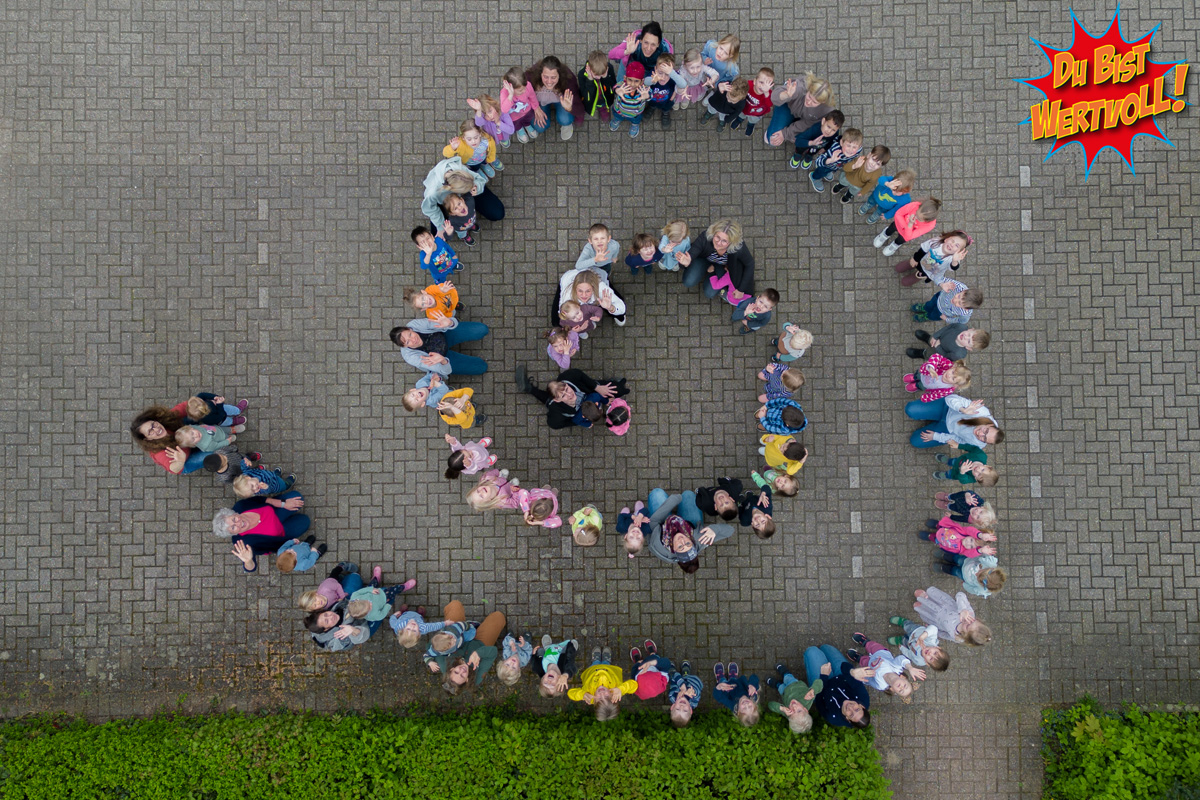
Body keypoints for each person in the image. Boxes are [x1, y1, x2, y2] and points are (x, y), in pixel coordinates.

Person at [213, 491, 310, 574]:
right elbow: (251, 568)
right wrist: (248, 561)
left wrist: (283, 504)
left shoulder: (240, 506)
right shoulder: (242, 543)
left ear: (234, 513)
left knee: (297, 496)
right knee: (305, 521)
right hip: (282, 534)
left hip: (276, 511)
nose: (238, 523)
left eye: (234, 519)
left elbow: (260, 500)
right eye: (233, 527)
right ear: (233, 534)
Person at [515, 366, 629, 430]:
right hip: (561, 407)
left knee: (618, 389)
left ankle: (613, 383)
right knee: (548, 401)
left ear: (566, 384)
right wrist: (578, 421)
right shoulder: (557, 409)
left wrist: (597, 387)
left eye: (567, 389)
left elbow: (581, 376)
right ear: (558, 400)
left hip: (590, 391)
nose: (570, 394)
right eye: (563, 395)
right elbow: (554, 424)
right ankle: (529, 389)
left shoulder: (569, 377)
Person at [420, 157, 504, 232]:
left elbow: (478, 179)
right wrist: (440, 226)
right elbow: (429, 208)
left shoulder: (460, 169)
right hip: (445, 201)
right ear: (453, 189)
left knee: (497, 213)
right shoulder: (433, 191)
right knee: (438, 234)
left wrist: (477, 187)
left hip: (464, 190)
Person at [678, 219, 754, 300]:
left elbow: (750, 264)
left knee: (709, 293)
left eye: (724, 241)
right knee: (688, 282)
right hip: (704, 260)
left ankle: (712, 273)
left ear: (731, 242)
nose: (718, 243)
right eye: (717, 237)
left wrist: (741, 289)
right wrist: (687, 261)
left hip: (722, 267)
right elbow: (694, 250)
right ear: (714, 233)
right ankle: (708, 270)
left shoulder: (738, 247)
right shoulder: (705, 236)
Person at [389, 317, 490, 377]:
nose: (413, 340)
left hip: (445, 335)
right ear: (404, 346)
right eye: (408, 342)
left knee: (482, 329)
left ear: (409, 329)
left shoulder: (414, 324)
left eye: (410, 334)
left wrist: (450, 323)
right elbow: (444, 371)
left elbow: (444, 323)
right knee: (481, 367)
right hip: (442, 358)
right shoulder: (411, 357)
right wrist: (443, 361)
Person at [438, 610, 508, 695]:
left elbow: (432, 646)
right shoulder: (477, 678)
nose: (461, 670)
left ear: (451, 669)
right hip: (480, 643)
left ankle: (468, 625)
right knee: (499, 617)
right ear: (467, 680)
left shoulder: (444, 664)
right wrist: (478, 653)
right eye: (462, 676)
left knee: (455, 606)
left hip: (460, 637)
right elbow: (493, 652)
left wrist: (444, 638)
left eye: (456, 672)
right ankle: (478, 627)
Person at [804, 644, 871, 728]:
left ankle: (817, 655)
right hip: (841, 673)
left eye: (851, 714)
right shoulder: (863, 698)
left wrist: (823, 677)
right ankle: (822, 649)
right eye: (857, 709)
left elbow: (818, 698)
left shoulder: (832, 717)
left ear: (847, 719)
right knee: (826, 647)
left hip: (822, 683)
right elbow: (845, 667)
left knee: (812, 651)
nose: (850, 708)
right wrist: (852, 672)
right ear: (862, 706)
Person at [130, 403, 211, 474]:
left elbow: (185, 406)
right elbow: (173, 468)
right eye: (150, 431)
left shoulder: (166, 419)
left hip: (187, 437)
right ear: (148, 439)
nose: (156, 429)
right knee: (213, 453)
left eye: (153, 424)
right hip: (185, 460)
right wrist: (180, 462)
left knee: (195, 412)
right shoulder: (159, 452)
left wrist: (200, 404)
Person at [764, 72, 835, 148]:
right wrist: (786, 95)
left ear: (822, 102)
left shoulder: (826, 110)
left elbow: (807, 123)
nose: (809, 102)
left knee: (804, 136)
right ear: (808, 90)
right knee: (771, 139)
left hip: (804, 116)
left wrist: (786, 133)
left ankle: (790, 128)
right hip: (787, 106)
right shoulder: (799, 88)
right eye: (809, 96)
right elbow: (774, 98)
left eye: (814, 102)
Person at [845, 634, 925, 702]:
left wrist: (861, 676)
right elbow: (901, 659)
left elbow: (869, 680)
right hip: (880, 652)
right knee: (872, 646)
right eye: (904, 685)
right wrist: (910, 668)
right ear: (903, 677)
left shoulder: (881, 685)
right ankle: (865, 642)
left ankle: (859, 657)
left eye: (900, 690)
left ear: (893, 690)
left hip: (869, 665)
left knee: (864, 662)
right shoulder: (896, 668)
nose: (901, 687)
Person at [905, 395, 1003, 450]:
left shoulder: (978, 444)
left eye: (984, 438)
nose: (980, 434)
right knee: (910, 409)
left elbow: (958, 440)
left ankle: (929, 418)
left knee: (915, 441)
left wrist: (936, 436)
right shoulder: (981, 411)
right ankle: (928, 414)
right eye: (986, 431)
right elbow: (950, 398)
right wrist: (962, 410)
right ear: (989, 424)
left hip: (947, 430)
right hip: (947, 409)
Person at [567, 646, 639, 721]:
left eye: (599, 698)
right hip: (608, 669)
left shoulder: (589, 696)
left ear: (594, 702)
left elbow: (570, 693)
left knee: (595, 663)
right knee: (606, 663)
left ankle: (596, 660)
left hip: (593, 670)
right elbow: (634, 685)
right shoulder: (617, 692)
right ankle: (606, 660)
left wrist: (582, 694)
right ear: (613, 698)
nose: (602, 693)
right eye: (607, 696)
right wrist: (621, 689)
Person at [911, 586, 994, 646]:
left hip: (933, 617)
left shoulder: (957, 637)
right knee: (929, 595)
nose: (968, 621)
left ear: (966, 636)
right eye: (972, 621)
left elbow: (944, 635)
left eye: (968, 626)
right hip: (942, 603)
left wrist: (933, 628)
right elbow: (960, 595)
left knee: (921, 607)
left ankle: (923, 604)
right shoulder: (969, 613)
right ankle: (925, 596)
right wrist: (963, 609)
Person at [525, 56, 583, 140]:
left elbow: (580, 110)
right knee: (539, 127)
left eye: (553, 77)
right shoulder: (530, 77)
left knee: (565, 120)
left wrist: (570, 108)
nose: (549, 82)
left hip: (560, 100)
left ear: (559, 75)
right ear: (540, 73)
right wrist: (535, 108)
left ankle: (566, 123)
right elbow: (522, 98)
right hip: (539, 102)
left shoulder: (568, 80)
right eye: (545, 77)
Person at [894, 231, 973, 288]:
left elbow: (953, 267)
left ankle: (917, 276)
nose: (952, 245)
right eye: (952, 241)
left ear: (958, 251)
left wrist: (955, 261)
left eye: (957, 245)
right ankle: (911, 263)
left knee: (906, 282)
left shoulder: (953, 258)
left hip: (929, 272)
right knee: (900, 267)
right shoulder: (936, 242)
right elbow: (923, 249)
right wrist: (915, 259)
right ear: (946, 239)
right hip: (920, 261)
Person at [554, 266, 627, 327]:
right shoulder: (568, 294)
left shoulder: (602, 289)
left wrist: (610, 308)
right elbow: (562, 312)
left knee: (617, 309)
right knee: (556, 322)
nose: (584, 295)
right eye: (580, 291)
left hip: (595, 277)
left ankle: (619, 317)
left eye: (588, 291)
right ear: (575, 288)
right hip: (569, 279)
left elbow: (622, 307)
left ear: (593, 288)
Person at [875, 197, 941, 259]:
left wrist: (910, 224)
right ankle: (885, 235)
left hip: (905, 234)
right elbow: (898, 214)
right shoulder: (915, 205)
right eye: (916, 213)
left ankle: (895, 245)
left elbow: (909, 236)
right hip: (898, 224)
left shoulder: (929, 226)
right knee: (890, 229)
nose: (915, 217)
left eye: (919, 219)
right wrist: (905, 226)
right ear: (919, 207)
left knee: (900, 240)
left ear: (927, 221)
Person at [766, 663, 822, 734]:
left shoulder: (787, 713)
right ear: (805, 709)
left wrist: (781, 708)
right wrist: (813, 690)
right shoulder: (808, 699)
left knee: (779, 686)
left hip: (784, 692)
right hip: (793, 684)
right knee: (787, 676)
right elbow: (820, 683)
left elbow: (770, 705)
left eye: (792, 712)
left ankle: (776, 683)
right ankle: (782, 669)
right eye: (799, 711)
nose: (794, 707)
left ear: (789, 717)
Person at [608, 21, 673, 81]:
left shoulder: (665, 50)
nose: (648, 48)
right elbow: (610, 55)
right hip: (631, 65)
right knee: (621, 86)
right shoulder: (634, 40)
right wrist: (627, 51)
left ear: (658, 44)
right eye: (646, 42)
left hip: (650, 71)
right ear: (641, 39)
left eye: (653, 44)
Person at [808, 127, 863, 193]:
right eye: (848, 145)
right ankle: (814, 177)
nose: (850, 150)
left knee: (829, 171)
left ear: (859, 146)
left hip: (836, 166)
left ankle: (827, 173)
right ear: (842, 143)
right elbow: (818, 161)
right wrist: (830, 160)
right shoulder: (834, 150)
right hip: (826, 165)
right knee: (821, 172)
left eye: (854, 147)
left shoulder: (858, 150)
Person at [886, 617, 950, 672]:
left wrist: (903, 649)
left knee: (904, 641)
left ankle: (900, 640)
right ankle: (903, 622)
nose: (930, 653)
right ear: (938, 648)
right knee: (908, 626)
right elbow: (934, 628)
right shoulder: (931, 641)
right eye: (935, 653)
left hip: (909, 644)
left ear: (927, 663)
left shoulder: (919, 661)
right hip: (915, 630)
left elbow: (910, 655)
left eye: (931, 658)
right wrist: (923, 636)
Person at [712, 662, 760, 727]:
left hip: (726, 687)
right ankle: (732, 676)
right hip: (738, 682)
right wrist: (752, 685)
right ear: (755, 706)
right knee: (734, 679)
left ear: (738, 712)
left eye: (744, 708)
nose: (746, 704)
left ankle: (720, 678)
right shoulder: (753, 694)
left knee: (723, 682)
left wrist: (718, 688)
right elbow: (754, 677)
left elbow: (718, 697)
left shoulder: (733, 705)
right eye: (750, 707)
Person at [906, 324, 990, 361]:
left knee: (929, 353)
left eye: (968, 341)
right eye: (969, 334)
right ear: (971, 329)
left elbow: (945, 356)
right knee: (931, 339)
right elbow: (948, 327)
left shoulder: (958, 354)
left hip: (938, 351)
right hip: (938, 338)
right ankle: (928, 338)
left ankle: (922, 353)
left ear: (968, 348)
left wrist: (938, 346)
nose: (965, 336)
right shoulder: (961, 327)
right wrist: (935, 336)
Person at [610, 61, 650, 137]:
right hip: (619, 111)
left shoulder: (643, 89)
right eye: (630, 80)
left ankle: (634, 125)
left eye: (636, 81)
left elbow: (650, 94)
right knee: (617, 116)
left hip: (635, 114)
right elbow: (615, 87)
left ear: (642, 81)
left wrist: (647, 96)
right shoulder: (622, 85)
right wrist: (616, 90)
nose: (632, 84)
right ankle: (617, 119)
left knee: (636, 120)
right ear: (625, 78)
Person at [500, 67, 541, 144]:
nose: (524, 91)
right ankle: (520, 129)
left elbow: (532, 97)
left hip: (527, 111)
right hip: (514, 117)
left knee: (528, 119)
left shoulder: (528, 85)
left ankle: (527, 125)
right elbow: (504, 110)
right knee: (517, 125)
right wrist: (510, 95)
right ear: (510, 87)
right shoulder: (504, 93)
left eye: (524, 88)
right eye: (520, 90)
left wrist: (536, 107)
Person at [732, 67, 775, 136]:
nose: (763, 87)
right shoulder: (748, 85)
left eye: (767, 84)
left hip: (756, 113)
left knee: (753, 120)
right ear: (755, 81)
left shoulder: (768, 94)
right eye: (761, 82)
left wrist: (766, 93)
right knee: (741, 115)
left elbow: (769, 104)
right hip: (743, 108)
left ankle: (750, 125)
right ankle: (739, 119)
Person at [578, 50, 617, 122]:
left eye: (602, 74)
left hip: (603, 97)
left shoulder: (610, 68)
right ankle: (582, 111)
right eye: (596, 75)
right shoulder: (581, 74)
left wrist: (605, 77)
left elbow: (613, 86)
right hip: (590, 99)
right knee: (587, 103)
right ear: (589, 68)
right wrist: (590, 79)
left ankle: (602, 108)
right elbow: (585, 94)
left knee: (602, 103)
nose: (599, 77)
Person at [667, 661, 703, 727]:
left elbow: (674, 680)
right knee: (686, 676)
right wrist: (692, 690)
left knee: (673, 675)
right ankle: (685, 672)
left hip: (677, 680)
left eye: (677, 709)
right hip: (690, 680)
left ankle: (672, 670)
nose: (681, 706)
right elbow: (698, 687)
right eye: (685, 710)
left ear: (672, 706)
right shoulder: (694, 701)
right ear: (690, 710)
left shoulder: (672, 696)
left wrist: (682, 687)